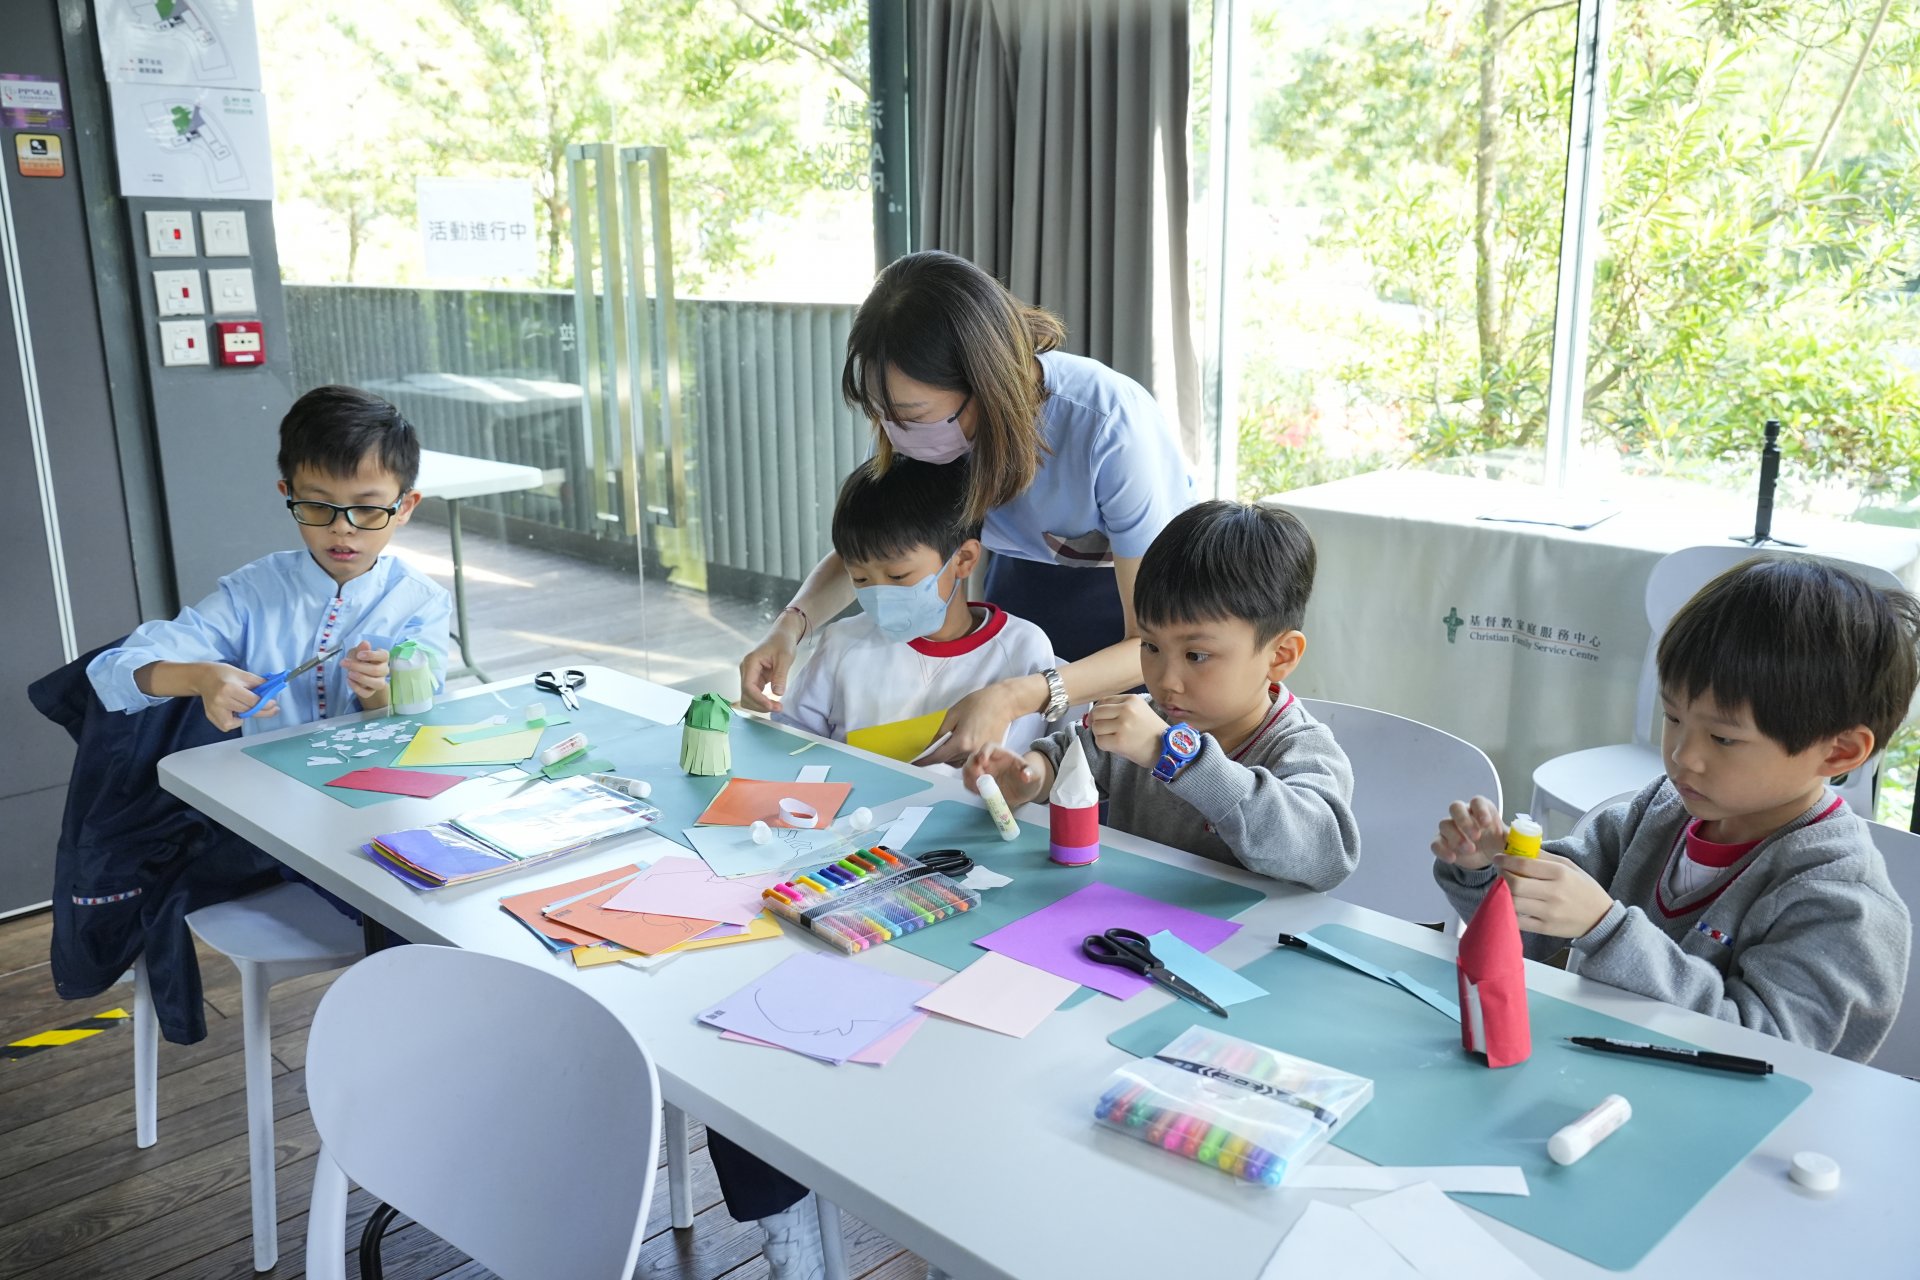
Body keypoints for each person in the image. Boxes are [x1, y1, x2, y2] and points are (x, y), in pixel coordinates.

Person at [1430, 557, 1917, 1062]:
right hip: (1603, 1074)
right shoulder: (1658, 812)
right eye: (1673, 717)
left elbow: (1767, 1053)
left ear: (1839, 752)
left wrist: (1605, 928)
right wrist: (1489, 870)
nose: (1684, 755)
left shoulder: (1841, 898)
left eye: (1723, 738)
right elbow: (1530, 937)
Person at [739, 250, 1191, 767]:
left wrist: (1018, 694)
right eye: (882, 413)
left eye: (912, 415)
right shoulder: (908, 429)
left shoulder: (1108, 425)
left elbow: (1150, 643)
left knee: (1100, 768)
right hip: (1019, 572)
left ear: (985, 384)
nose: (896, 433)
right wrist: (790, 627)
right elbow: (878, 551)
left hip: (1133, 597)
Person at [964, 500, 1360, 887]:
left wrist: (1174, 756)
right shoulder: (1147, 719)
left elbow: (1324, 856)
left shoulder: (1302, 749)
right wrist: (1029, 777)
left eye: (1196, 655)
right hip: (1129, 922)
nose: (1167, 679)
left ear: (1280, 656)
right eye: (1151, 646)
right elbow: (1066, 756)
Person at [88, 384, 451, 732]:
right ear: (288, 494)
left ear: (404, 507)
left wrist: (375, 692)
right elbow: (112, 670)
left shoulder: (420, 601)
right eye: (316, 505)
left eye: (368, 508)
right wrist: (201, 677)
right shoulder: (252, 593)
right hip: (265, 774)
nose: (342, 528)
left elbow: (419, 717)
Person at [772, 456, 1057, 757]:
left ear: (963, 560)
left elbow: (1016, 769)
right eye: (861, 578)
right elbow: (791, 738)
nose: (880, 595)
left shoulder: (1021, 649)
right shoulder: (843, 643)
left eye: (898, 576)